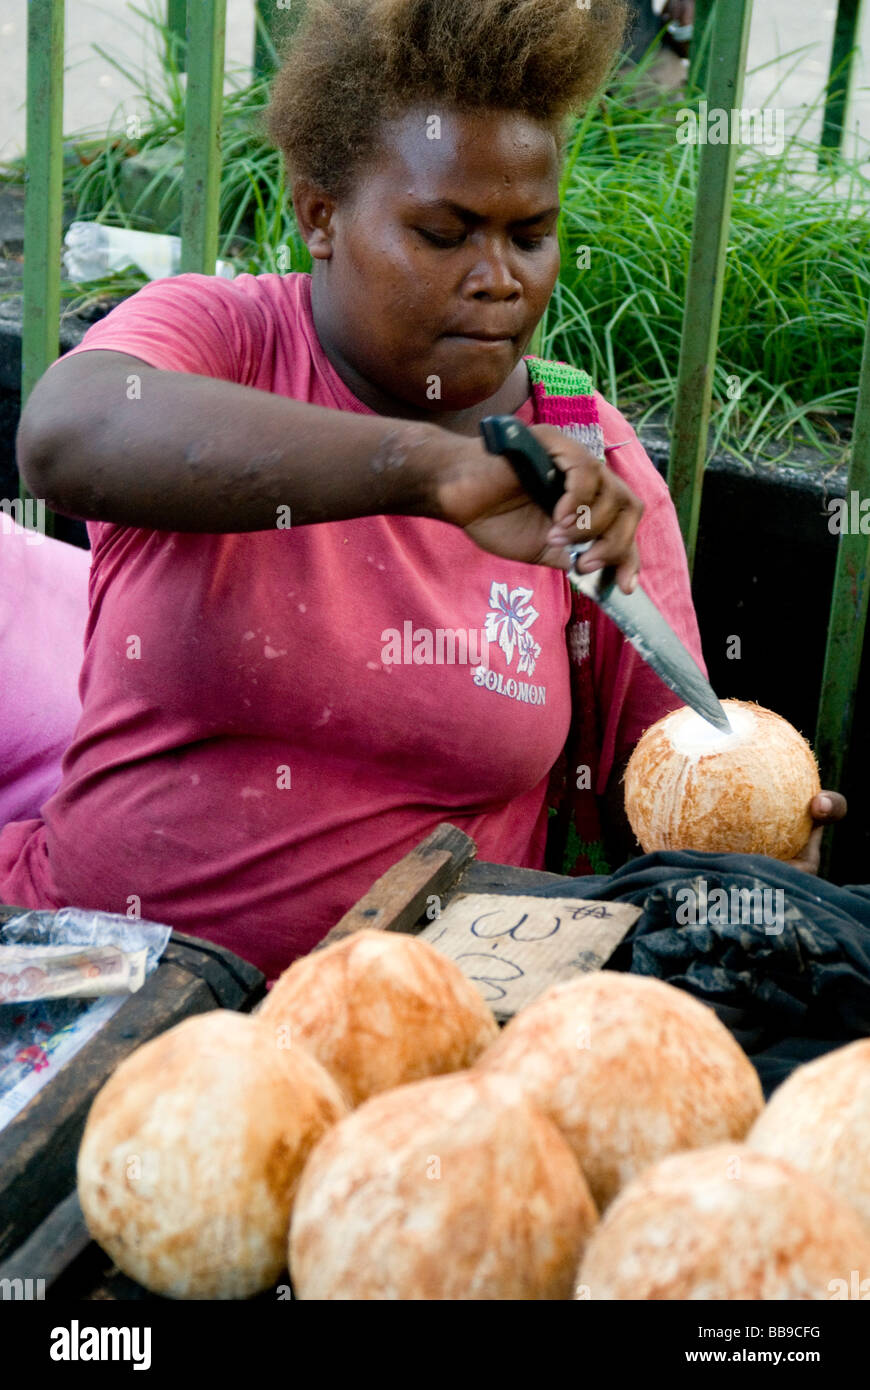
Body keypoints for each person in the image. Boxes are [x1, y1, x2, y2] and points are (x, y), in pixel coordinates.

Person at [0, 0, 841, 980]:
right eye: (444, 233)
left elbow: (679, 781)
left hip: (416, 1036)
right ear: (319, 213)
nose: (498, 279)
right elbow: (65, 435)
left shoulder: (585, 467)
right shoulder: (220, 342)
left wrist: (752, 853)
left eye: (530, 235)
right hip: (96, 975)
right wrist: (428, 469)